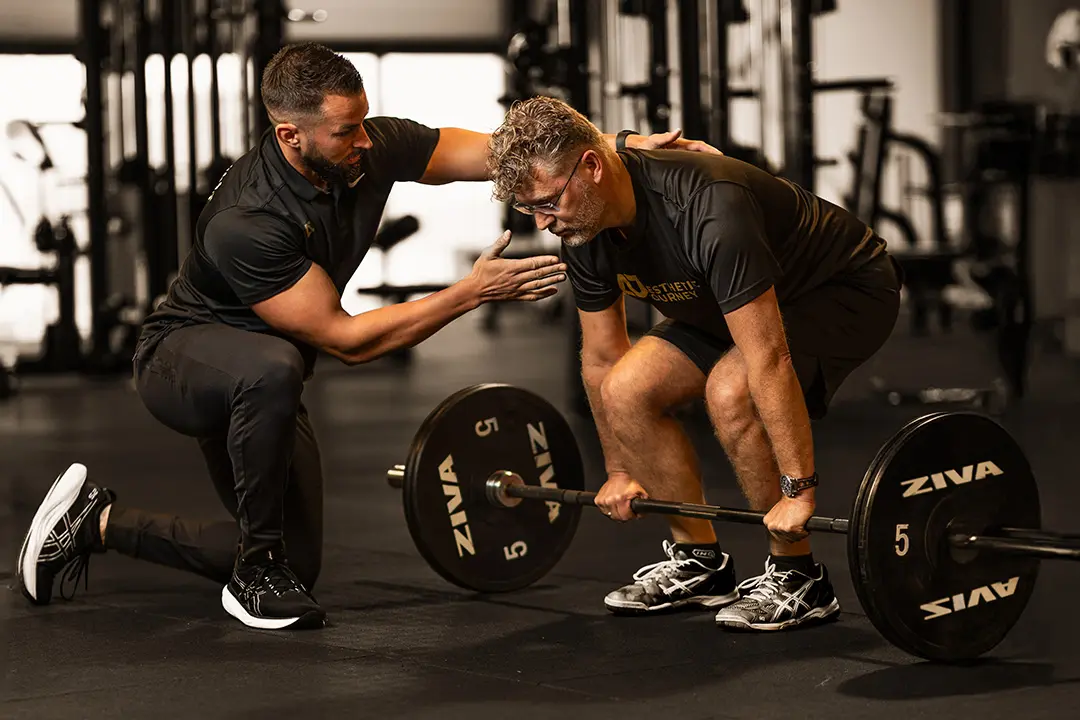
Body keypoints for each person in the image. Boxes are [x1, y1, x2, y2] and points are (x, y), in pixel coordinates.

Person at [15, 43, 719, 631]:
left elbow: (501, 156)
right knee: (272, 367)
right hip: (182, 358)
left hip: (267, 376)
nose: (363, 141)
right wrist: (472, 292)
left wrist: (610, 146)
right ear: (291, 136)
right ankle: (255, 576)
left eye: (362, 124)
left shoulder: (370, 146)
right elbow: (345, 341)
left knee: (302, 557)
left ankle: (98, 523)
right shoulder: (248, 218)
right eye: (344, 132)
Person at [486, 96, 903, 631]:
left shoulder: (708, 204)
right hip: (721, 303)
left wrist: (801, 490)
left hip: (842, 291)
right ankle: (700, 561)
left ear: (591, 167)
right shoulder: (583, 229)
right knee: (625, 390)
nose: (543, 223)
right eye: (529, 211)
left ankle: (798, 575)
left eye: (547, 202)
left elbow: (768, 359)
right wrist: (619, 470)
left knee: (733, 391)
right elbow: (601, 357)